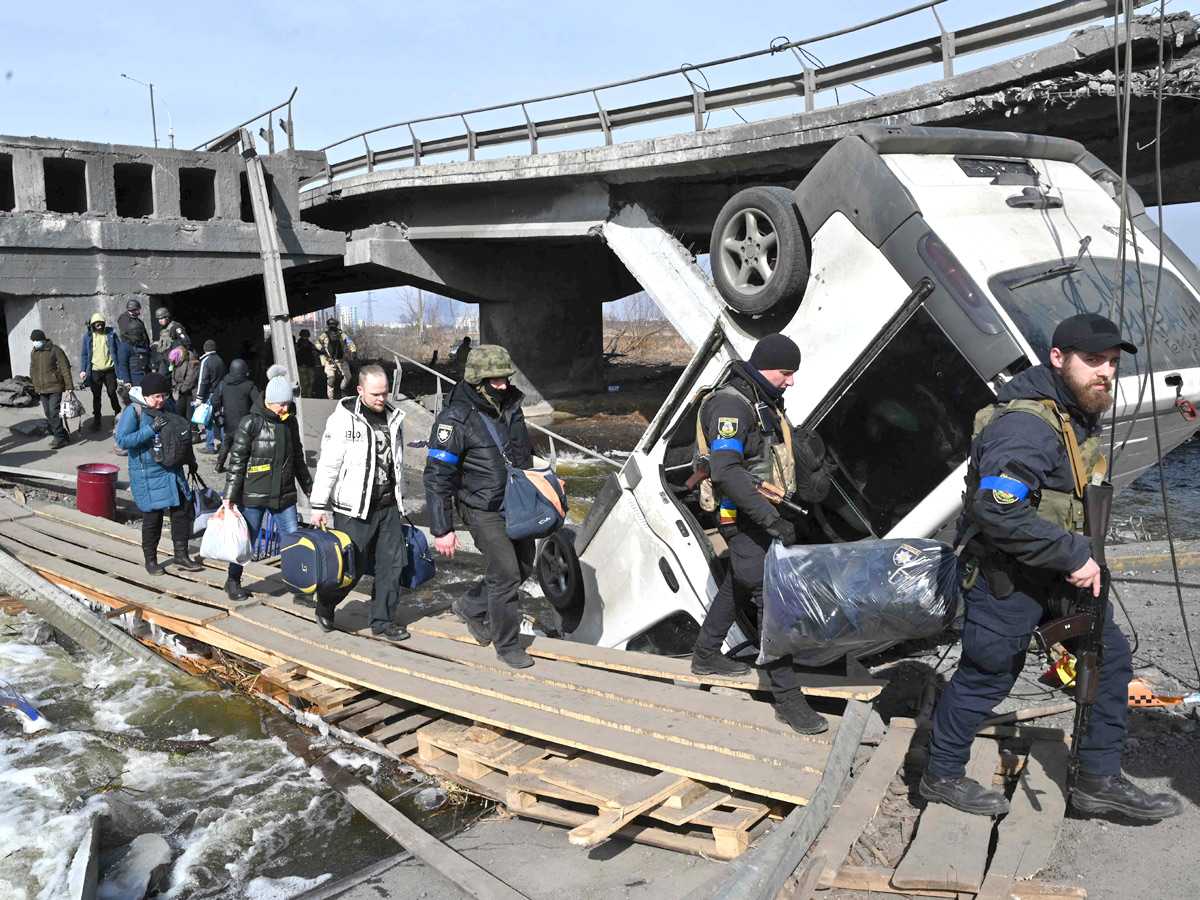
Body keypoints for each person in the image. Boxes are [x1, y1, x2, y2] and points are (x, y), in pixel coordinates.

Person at [922, 313, 1182, 820]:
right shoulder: (1027, 425)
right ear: (1058, 359)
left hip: (1057, 574)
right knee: (988, 675)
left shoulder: (1074, 412)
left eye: (1111, 362)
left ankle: (1097, 781)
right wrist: (1075, 554)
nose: (1104, 372)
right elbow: (996, 507)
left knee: (1105, 661)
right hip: (1006, 576)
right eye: (1093, 360)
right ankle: (942, 774)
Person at [687, 334, 827, 735]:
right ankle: (787, 698)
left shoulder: (760, 397)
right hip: (743, 516)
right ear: (767, 366)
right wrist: (771, 520)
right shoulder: (732, 405)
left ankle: (706, 654)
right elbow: (726, 471)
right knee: (772, 599)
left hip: (758, 512)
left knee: (739, 580)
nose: (791, 381)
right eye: (787, 373)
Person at [423, 345, 538, 669]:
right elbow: (436, 476)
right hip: (480, 507)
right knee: (505, 573)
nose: (502, 385)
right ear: (477, 380)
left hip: (516, 502)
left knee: (524, 567)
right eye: (495, 380)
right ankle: (507, 645)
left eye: (504, 378)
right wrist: (442, 528)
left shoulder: (511, 406)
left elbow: (521, 454)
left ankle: (470, 607)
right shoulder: (455, 418)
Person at [310, 365, 408, 640]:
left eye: (385, 393)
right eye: (375, 394)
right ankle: (325, 605)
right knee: (350, 568)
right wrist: (318, 506)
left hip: (387, 506)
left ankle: (383, 622)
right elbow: (328, 465)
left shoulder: (394, 418)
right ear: (360, 390)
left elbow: (395, 463)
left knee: (392, 565)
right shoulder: (343, 420)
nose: (381, 399)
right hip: (354, 509)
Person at [221, 376, 313, 602]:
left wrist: (308, 487)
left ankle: (299, 588)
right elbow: (237, 462)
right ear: (269, 401)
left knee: (293, 541)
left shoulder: (290, 422)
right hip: (253, 495)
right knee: (246, 540)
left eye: (288, 403)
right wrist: (229, 496)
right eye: (281, 404)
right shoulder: (250, 423)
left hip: (284, 495)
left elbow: (298, 457)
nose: (285, 407)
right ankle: (233, 580)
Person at [114, 372, 204, 576]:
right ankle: (151, 560)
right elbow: (123, 441)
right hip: (148, 475)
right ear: (146, 396)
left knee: (181, 511)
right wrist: (150, 430)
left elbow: (181, 437)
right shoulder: (133, 411)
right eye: (156, 397)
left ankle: (181, 555)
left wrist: (191, 461)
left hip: (173, 470)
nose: (161, 400)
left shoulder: (169, 407)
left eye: (163, 395)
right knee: (152, 518)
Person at [30, 329, 75, 449]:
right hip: (42, 388)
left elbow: (65, 368)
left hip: (55, 386)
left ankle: (59, 437)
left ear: (43, 339)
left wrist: (69, 386)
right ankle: (63, 434)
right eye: (33, 341)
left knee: (54, 412)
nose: (35, 342)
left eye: (37, 340)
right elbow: (33, 368)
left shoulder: (55, 350)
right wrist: (34, 383)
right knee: (48, 413)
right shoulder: (34, 352)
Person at [213, 359, 260, 474]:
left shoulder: (223, 384)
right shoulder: (249, 385)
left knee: (226, 443)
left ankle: (219, 466)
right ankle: (242, 468)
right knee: (247, 446)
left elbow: (214, 401)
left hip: (228, 421)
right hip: (245, 422)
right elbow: (258, 402)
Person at [79, 313, 120, 432]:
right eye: (97, 325)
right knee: (96, 396)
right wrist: (83, 370)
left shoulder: (110, 334)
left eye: (101, 324)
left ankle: (118, 415)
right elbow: (84, 355)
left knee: (112, 392)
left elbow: (119, 349)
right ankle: (97, 421)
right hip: (95, 371)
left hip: (110, 370)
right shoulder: (88, 337)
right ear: (92, 325)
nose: (99, 326)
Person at [195, 340, 227, 455]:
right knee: (220, 419)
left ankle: (209, 446)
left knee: (207, 421)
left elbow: (202, 380)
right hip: (219, 393)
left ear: (205, 349)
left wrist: (199, 396)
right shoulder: (219, 360)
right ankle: (224, 445)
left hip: (209, 394)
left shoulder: (205, 361)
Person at [317, 319, 356, 399]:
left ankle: (342, 389)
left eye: (334, 325)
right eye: (331, 325)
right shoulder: (325, 335)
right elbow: (317, 343)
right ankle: (330, 398)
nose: (332, 327)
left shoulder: (342, 335)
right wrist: (321, 349)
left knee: (348, 377)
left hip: (341, 360)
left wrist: (353, 351)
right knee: (331, 379)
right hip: (329, 361)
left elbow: (349, 342)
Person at [152, 306, 190, 372]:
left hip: (174, 359)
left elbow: (186, 342)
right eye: (159, 319)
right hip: (164, 359)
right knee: (162, 378)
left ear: (167, 317)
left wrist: (179, 356)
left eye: (162, 318)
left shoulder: (175, 327)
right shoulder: (163, 330)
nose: (160, 321)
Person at [170, 346, 201, 427]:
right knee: (179, 412)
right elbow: (173, 374)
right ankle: (183, 430)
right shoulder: (177, 362)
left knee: (190, 414)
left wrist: (181, 388)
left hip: (189, 390)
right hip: (180, 390)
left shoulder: (191, 362)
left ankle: (194, 432)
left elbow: (190, 378)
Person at [295, 329, 319, 398]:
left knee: (310, 382)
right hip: (301, 366)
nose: (305, 338)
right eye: (304, 336)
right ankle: (303, 397)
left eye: (306, 336)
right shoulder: (297, 345)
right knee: (303, 383)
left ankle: (308, 396)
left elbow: (316, 352)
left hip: (310, 366)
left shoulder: (310, 345)